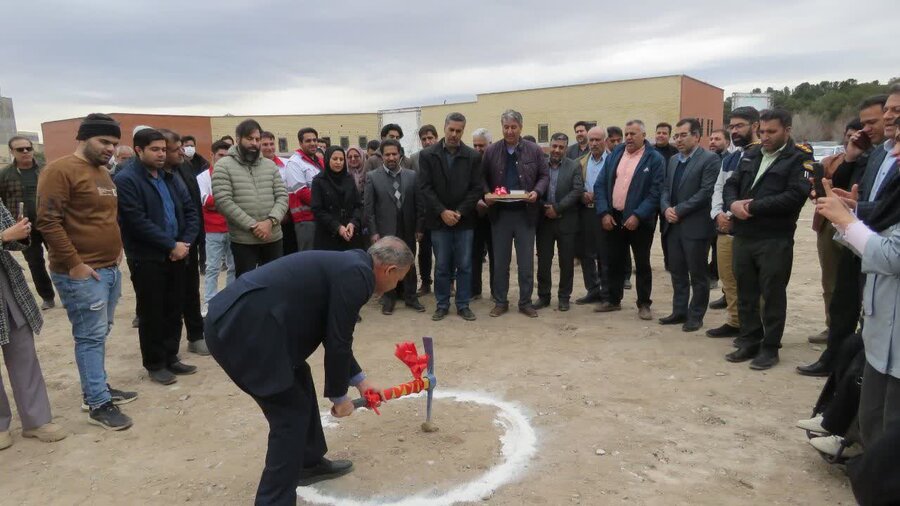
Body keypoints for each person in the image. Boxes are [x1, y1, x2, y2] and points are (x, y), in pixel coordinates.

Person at [205, 236, 411, 505]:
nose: (394, 287)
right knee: (289, 415)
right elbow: (338, 340)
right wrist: (339, 398)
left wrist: (360, 382)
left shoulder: (352, 265)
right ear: (389, 270)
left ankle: (308, 461)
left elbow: (331, 333)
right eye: (397, 281)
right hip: (239, 331)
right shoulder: (358, 275)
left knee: (298, 376)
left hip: (250, 324)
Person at [37, 113, 137, 430]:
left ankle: (95, 388)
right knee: (90, 337)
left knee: (99, 333)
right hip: (81, 273)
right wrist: (75, 264)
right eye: (104, 142)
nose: (110, 148)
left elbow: (105, 218)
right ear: (83, 138)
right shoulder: (59, 170)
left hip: (108, 269)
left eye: (114, 143)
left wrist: (116, 249)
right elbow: (48, 222)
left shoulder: (102, 173)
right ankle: (97, 403)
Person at [800, 89, 899, 376]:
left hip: (879, 245)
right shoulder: (878, 153)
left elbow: (888, 209)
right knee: (842, 302)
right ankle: (834, 361)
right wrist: (853, 160)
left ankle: (861, 373)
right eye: (863, 123)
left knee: (872, 314)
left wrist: (857, 212)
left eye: (873, 122)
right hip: (855, 239)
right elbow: (849, 187)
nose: (865, 129)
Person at [814, 137, 900, 449]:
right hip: (884, 331)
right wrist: (854, 215)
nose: (895, 151)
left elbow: (892, 255)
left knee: (888, 431)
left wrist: (848, 221)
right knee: (875, 420)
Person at [723, 108, 812, 370]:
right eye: (762, 131)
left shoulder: (798, 159)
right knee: (746, 291)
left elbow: (796, 195)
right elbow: (731, 184)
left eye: (771, 132)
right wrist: (733, 204)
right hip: (744, 236)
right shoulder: (751, 154)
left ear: (787, 130)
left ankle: (770, 347)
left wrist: (752, 207)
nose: (765, 137)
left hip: (775, 238)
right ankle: (749, 339)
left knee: (772, 294)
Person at [115, 128, 199, 385]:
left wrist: (184, 243)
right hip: (148, 257)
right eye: (155, 149)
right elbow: (136, 221)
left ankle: (172, 356)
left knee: (174, 308)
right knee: (153, 311)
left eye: (164, 149)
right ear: (139, 150)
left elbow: (190, 210)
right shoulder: (127, 180)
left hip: (179, 254)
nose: (161, 154)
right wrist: (169, 245)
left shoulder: (170, 177)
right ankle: (155, 363)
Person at [0, 200, 67, 450]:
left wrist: (20, 232)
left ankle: (36, 420)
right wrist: (3, 236)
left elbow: (12, 237)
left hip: (8, 286)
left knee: (24, 354)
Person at [593, 119, 665, 320]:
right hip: (614, 218)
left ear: (644, 135)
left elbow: (656, 192)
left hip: (639, 221)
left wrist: (638, 215)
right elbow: (600, 185)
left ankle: (644, 303)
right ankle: (613, 300)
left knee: (642, 263)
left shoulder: (655, 159)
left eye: (633, 134)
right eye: (627, 134)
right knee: (614, 261)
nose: (629, 138)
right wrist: (604, 212)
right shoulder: (616, 154)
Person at [482, 110, 549, 318]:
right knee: (500, 262)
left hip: (525, 214)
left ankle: (525, 302)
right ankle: (501, 301)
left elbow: (544, 176)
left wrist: (536, 192)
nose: (510, 131)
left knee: (526, 262)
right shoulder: (491, 151)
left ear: (521, 127)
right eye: (506, 127)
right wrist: (487, 194)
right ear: (501, 128)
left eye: (514, 127)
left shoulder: (534, 150)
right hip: (500, 214)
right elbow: (481, 177)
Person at [418, 113, 483, 321]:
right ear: (444, 128)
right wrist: (442, 211)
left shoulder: (472, 156)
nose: (454, 134)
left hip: (464, 221)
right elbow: (425, 188)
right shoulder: (428, 155)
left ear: (463, 131)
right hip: (439, 221)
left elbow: (476, 189)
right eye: (451, 130)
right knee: (442, 265)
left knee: (464, 265)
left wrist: (460, 211)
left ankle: (463, 304)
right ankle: (442, 304)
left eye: (458, 131)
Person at [658, 118, 720, 332]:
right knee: (677, 272)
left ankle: (696, 315)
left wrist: (679, 210)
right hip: (673, 226)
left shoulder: (710, 159)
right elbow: (665, 188)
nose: (679, 139)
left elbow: (706, 191)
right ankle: (679, 311)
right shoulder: (674, 160)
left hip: (696, 226)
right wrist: (666, 208)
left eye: (683, 135)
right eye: (677, 136)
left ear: (696, 136)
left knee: (698, 274)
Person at [807, 118, 865, 346]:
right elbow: (821, 185)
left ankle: (856, 332)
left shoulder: (875, 161)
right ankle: (833, 326)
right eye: (849, 134)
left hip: (859, 227)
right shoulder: (832, 160)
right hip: (828, 225)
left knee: (856, 283)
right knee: (830, 279)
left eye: (858, 134)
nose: (853, 139)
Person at [706, 107, 760, 338]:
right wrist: (718, 214)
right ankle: (735, 321)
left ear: (755, 126)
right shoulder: (730, 158)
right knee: (727, 278)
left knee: (749, 283)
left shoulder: (762, 155)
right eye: (732, 126)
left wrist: (733, 215)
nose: (735, 130)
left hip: (749, 228)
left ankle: (754, 328)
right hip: (724, 227)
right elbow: (720, 187)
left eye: (740, 126)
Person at [212, 119, 288, 277]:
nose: (254, 143)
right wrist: (254, 226)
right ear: (238, 139)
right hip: (244, 241)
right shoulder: (223, 166)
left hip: (272, 237)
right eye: (250, 139)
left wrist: (270, 222)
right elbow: (223, 201)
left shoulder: (270, 165)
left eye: (258, 139)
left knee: (274, 283)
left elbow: (282, 196)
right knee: (247, 286)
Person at [159, 129, 208, 356]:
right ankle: (167, 351)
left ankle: (196, 336)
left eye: (181, 147)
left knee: (191, 292)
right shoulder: (150, 175)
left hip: (188, 243)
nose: (182, 152)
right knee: (168, 300)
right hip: (163, 248)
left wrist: (189, 240)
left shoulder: (184, 169)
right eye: (175, 148)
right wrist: (171, 245)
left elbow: (193, 208)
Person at [364, 139, 425, 315]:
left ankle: (411, 296)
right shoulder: (373, 177)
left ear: (400, 154)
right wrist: (374, 232)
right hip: (385, 230)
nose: (391, 157)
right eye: (387, 154)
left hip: (408, 227)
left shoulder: (412, 175)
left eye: (394, 154)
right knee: (386, 265)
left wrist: (419, 228)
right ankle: (388, 300)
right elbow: (369, 208)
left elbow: (419, 204)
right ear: (382, 156)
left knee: (409, 262)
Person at [0, 136, 56, 309]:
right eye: (20, 149)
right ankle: (47, 296)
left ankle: (69, 293)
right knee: (35, 263)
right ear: (12, 152)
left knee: (59, 258)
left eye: (28, 148)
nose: (25, 152)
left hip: (49, 221)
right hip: (23, 228)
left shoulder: (47, 170)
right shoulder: (5, 175)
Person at [535, 133, 584, 311]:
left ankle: (564, 297)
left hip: (567, 222)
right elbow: (534, 189)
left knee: (566, 262)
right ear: (550, 146)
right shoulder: (540, 165)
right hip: (544, 221)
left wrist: (557, 208)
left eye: (561, 147)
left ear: (566, 148)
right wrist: (545, 208)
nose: (557, 150)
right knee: (544, 262)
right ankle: (543, 296)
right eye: (554, 146)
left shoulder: (574, 166)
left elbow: (577, 191)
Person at [196, 141, 235, 310]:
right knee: (212, 267)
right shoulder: (203, 177)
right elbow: (205, 201)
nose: (223, 159)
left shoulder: (234, 175)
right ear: (212, 155)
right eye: (220, 155)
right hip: (213, 230)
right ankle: (210, 303)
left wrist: (218, 201)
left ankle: (230, 299)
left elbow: (214, 201)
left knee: (234, 266)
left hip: (233, 228)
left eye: (227, 156)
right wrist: (229, 200)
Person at [575, 126, 608, 305]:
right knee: (586, 253)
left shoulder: (613, 161)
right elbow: (575, 185)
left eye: (597, 140)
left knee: (605, 254)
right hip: (586, 212)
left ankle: (606, 292)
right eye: (591, 140)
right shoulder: (580, 162)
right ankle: (592, 290)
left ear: (605, 140)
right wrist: (581, 194)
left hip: (605, 213)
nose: (594, 143)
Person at [311, 146, 364, 251]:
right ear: (327, 159)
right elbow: (317, 209)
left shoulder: (349, 178)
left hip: (350, 234)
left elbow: (358, 205)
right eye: (335, 159)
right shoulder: (319, 181)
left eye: (341, 159)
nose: (338, 162)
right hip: (328, 235)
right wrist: (337, 227)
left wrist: (353, 223)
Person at [410, 124, 439, 297]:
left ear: (436, 138)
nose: (428, 142)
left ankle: (449, 282)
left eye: (430, 138)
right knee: (425, 251)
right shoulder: (414, 159)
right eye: (424, 139)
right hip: (423, 213)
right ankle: (426, 283)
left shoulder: (445, 155)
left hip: (442, 212)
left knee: (444, 250)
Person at [284, 128, 322, 252]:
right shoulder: (294, 163)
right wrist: (325, 205)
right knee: (308, 257)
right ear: (300, 143)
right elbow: (302, 192)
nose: (312, 143)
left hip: (320, 217)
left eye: (315, 140)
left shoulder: (319, 161)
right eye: (308, 141)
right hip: (305, 220)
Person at [260, 131, 296, 257]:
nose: (269, 148)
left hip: (287, 218)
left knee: (288, 254)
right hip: (265, 219)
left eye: (271, 144)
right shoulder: (253, 167)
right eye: (265, 144)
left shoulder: (287, 165)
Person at [470, 128, 494, 301]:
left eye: (482, 145)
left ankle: (496, 291)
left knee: (496, 256)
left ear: (490, 145)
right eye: (475, 145)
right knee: (474, 255)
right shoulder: (469, 161)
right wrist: (475, 202)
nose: (478, 149)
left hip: (495, 215)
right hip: (475, 216)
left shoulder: (497, 161)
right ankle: (474, 290)